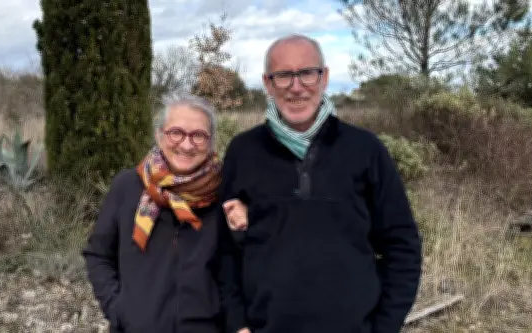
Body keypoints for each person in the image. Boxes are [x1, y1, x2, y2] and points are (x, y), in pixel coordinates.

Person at [215, 33, 423, 333]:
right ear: (268, 84)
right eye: (283, 76)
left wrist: (384, 326)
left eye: (307, 73)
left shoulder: (365, 149)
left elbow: (402, 245)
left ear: (324, 78)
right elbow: (225, 250)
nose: (296, 86)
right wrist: (237, 324)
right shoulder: (243, 151)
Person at [83, 92, 231, 333]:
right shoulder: (127, 186)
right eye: (176, 133)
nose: (186, 145)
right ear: (159, 135)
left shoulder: (225, 192)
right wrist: (118, 310)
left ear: (211, 141)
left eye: (198, 136)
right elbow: (98, 255)